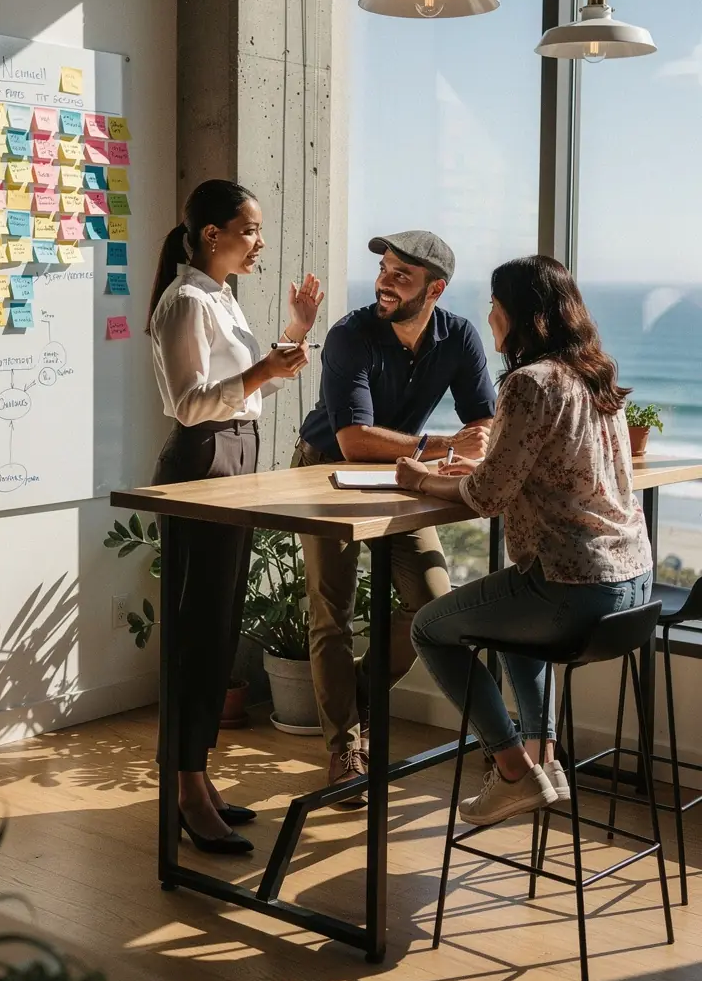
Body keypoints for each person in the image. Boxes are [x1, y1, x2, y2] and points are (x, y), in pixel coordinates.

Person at [397, 255, 653, 827]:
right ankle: (544, 761)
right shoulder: (596, 374)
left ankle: (512, 771)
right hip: (633, 584)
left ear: (519, 314)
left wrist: (421, 478)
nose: (488, 316)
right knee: (507, 617)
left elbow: (487, 498)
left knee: (429, 629)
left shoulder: (529, 382)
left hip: (575, 591)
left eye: (494, 304)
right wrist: (482, 462)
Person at [148, 179, 324, 854]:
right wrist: (261, 374)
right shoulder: (185, 301)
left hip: (236, 456)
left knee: (218, 630)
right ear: (213, 234)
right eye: (249, 229)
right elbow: (193, 403)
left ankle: (199, 778)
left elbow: (249, 383)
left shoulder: (218, 297)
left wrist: (293, 336)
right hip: (203, 461)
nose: (260, 242)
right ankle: (187, 788)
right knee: (197, 633)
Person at [294, 230, 496, 799]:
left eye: (401, 275)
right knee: (332, 614)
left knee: (432, 608)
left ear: (436, 289)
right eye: (384, 268)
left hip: (401, 479)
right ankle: (344, 747)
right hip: (325, 472)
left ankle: (351, 700)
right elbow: (354, 440)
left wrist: (469, 443)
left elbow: (484, 422)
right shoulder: (349, 336)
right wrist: (442, 446)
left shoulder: (458, 336)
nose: (384, 280)